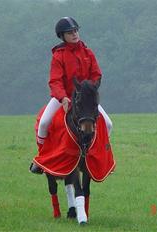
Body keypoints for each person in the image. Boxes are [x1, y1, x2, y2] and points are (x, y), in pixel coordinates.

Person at [30, 16, 112, 173]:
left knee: (108, 124)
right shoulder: (58, 55)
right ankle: (41, 160)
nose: (74, 34)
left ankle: (99, 156)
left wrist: (91, 88)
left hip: (85, 98)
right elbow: (55, 81)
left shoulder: (88, 52)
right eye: (70, 32)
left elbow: (96, 74)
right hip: (64, 97)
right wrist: (63, 97)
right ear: (63, 36)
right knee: (44, 123)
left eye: (75, 31)